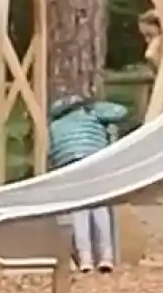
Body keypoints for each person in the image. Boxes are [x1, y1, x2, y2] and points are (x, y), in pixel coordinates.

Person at [47, 92, 130, 273]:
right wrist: (97, 105)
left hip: (71, 165)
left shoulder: (54, 126)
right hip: (95, 160)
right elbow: (121, 112)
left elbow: (51, 153)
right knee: (100, 208)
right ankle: (106, 257)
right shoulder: (92, 115)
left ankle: (85, 259)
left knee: (80, 211)